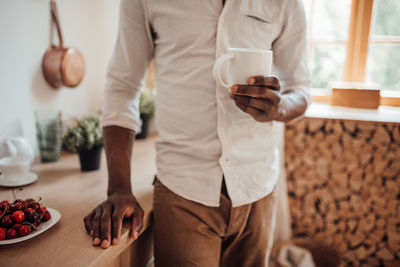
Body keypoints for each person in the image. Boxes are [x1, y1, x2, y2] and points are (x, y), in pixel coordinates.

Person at [83, 0, 311, 266]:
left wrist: (280, 106)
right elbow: (123, 86)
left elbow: (301, 89)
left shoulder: (286, 3)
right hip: (183, 192)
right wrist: (118, 188)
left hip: (258, 189)